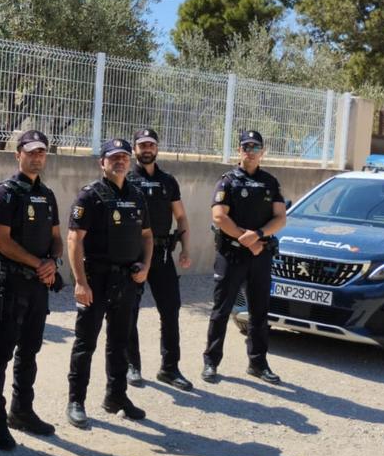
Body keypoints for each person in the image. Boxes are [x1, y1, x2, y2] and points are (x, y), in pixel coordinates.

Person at [0, 130, 63, 450]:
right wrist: (36, 263)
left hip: (39, 286)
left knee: (30, 350)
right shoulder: (5, 193)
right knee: (2, 351)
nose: (37, 157)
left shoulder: (48, 194)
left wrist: (52, 262)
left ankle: (22, 410)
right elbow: (1, 241)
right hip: (12, 284)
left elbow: (57, 236)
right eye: (30, 152)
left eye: (41, 152)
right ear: (18, 155)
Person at [65, 139, 153, 429]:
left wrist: (146, 265)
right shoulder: (90, 196)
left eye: (124, 157)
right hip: (96, 280)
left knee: (119, 342)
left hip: (127, 281)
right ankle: (76, 401)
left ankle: (116, 397)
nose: (120, 162)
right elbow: (74, 240)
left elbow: (148, 236)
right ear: (102, 162)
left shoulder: (137, 196)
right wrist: (80, 282)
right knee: (85, 342)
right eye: (113, 157)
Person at [202, 130, 288, 384]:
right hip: (232, 254)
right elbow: (219, 216)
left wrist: (258, 235)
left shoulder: (270, 182)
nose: (250, 151)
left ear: (263, 152)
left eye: (255, 147)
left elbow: (280, 218)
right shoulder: (227, 181)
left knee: (259, 312)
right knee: (221, 309)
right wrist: (246, 239)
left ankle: (258, 363)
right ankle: (211, 362)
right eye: (245, 147)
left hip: (260, 254)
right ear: (239, 151)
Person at [124, 128, 194, 391]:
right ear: (135, 149)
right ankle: (132, 365)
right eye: (142, 145)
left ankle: (169, 368)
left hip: (163, 254)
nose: (146, 149)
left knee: (170, 310)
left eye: (150, 144)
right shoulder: (127, 178)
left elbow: (182, 217)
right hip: (134, 255)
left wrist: (186, 249)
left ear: (157, 148)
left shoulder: (168, 181)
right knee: (130, 310)